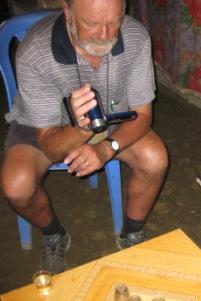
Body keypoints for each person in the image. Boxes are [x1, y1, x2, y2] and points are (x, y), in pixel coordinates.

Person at [0, 0, 168, 274]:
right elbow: (53, 149)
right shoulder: (35, 52)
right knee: (16, 185)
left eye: (114, 21)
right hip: (45, 128)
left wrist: (105, 149)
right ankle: (54, 234)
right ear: (68, 11)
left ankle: (132, 233)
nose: (105, 35)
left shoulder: (136, 36)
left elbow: (143, 115)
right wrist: (82, 129)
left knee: (156, 159)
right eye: (91, 23)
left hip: (112, 117)